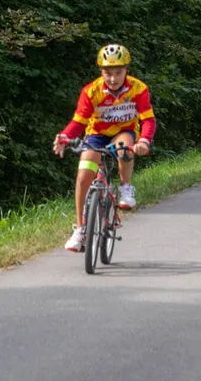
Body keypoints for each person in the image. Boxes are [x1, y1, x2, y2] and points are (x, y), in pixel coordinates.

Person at [53, 43, 155, 252]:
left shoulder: (138, 89)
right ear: (101, 71)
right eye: (108, 73)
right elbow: (79, 122)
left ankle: (125, 187)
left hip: (125, 131)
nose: (113, 79)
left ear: (126, 70)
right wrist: (64, 137)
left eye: (118, 73)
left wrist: (144, 141)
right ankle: (80, 229)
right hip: (96, 135)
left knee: (124, 148)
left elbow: (148, 120)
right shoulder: (91, 91)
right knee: (83, 175)